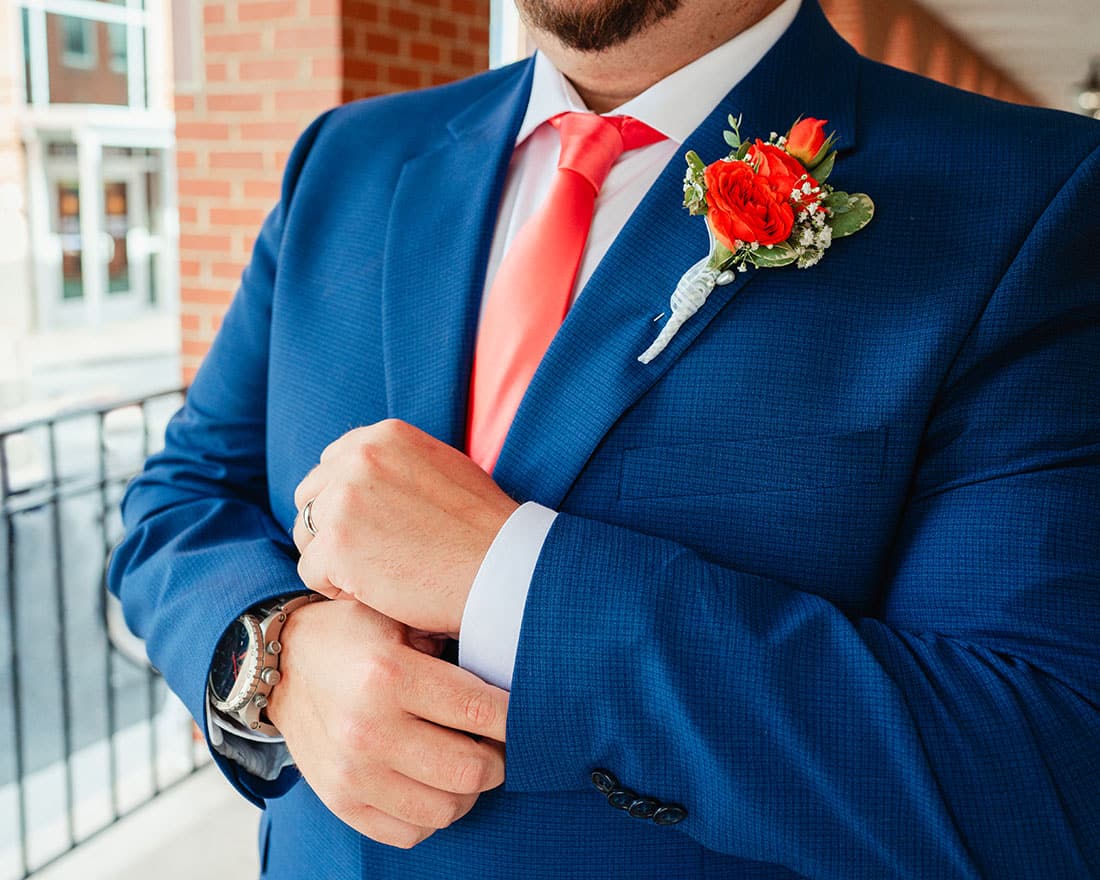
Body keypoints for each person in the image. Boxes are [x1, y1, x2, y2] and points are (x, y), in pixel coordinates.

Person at [108, 0, 1100, 876]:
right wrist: (269, 649)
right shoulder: (346, 158)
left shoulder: (1030, 198)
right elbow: (179, 496)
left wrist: (508, 579)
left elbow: (1042, 775)